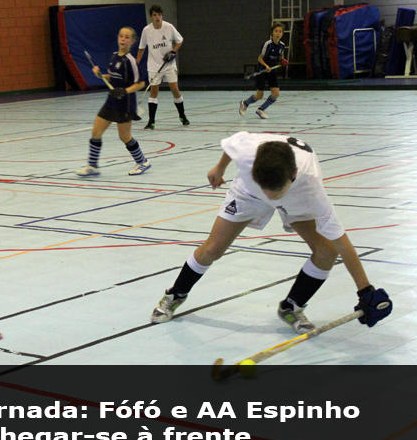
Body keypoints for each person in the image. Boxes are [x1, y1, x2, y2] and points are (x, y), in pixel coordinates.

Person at [150, 132, 393, 334]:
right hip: (248, 193)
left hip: (295, 197)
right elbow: (233, 142)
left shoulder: (310, 188)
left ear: (293, 175)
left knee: (327, 251)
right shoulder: (248, 156)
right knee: (212, 249)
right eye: (266, 190)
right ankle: (175, 295)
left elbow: (342, 242)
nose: (270, 198)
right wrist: (220, 167)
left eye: (275, 193)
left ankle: (291, 307)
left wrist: (365, 290)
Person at [75, 27, 149, 177]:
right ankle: (93, 166)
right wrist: (101, 75)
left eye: (127, 37)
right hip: (111, 101)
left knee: (124, 136)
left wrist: (124, 91)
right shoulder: (115, 56)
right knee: (96, 132)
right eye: (121, 36)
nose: (123, 39)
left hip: (125, 103)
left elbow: (140, 83)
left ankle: (142, 162)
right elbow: (112, 76)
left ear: (132, 41)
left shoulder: (130, 61)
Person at [136, 5, 189, 129]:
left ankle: (182, 116)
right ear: (151, 17)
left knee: (175, 89)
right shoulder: (146, 30)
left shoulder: (169, 27)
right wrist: (135, 64)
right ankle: (151, 121)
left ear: (162, 15)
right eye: (155, 15)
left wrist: (173, 51)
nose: (157, 17)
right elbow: (141, 49)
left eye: (159, 14)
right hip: (154, 66)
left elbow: (180, 40)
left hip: (169, 64)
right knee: (154, 91)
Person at [240, 22, 288, 119]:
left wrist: (283, 61)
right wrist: (266, 66)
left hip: (272, 71)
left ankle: (261, 109)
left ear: (282, 33)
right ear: (272, 33)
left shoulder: (282, 45)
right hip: (262, 71)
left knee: (275, 94)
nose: (278, 33)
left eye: (280, 31)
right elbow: (260, 58)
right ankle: (245, 103)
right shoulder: (267, 44)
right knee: (259, 96)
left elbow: (281, 56)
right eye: (276, 31)